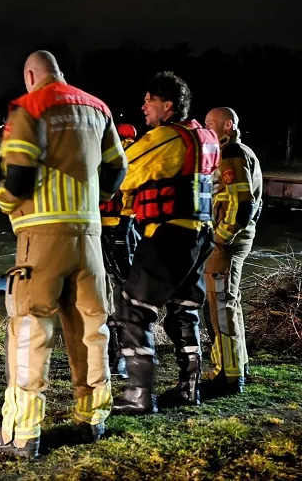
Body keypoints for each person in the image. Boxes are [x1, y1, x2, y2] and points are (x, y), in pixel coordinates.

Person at [0, 50, 127, 459]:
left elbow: (19, 174)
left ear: (30, 75)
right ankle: (93, 419)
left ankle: (22, 433)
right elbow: (118, 169)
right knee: (91, 330)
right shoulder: (98, 108)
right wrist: (93, 201)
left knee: (30, 330)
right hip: (90, 238)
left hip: (41, 238)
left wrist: (7, 202)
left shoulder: (30, 107)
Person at [111, 72, 219, 414]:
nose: (143, 106)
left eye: (149, 100)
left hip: (168, 234)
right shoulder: (207, 137)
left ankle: (139, 395)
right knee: (183, 311)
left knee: (132, 309)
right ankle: (189, 389)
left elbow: (123, 174)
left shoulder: (164, 138)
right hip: (200, 235)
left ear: (167, 105)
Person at [202, 107, 262, 395]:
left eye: (211, 124)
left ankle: (228, 375)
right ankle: (236, 366)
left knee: (221, 309)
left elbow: (243, 204)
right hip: (231, 244)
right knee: (227, 305)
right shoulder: (238, 151)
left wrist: (219, 237)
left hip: (226, 246)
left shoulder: (232, 154)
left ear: (228, 125)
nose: (207, 129)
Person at [100, 123, 141, 380]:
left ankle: (113, 356)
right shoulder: (133, 156)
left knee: (106, 294)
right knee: (123, 292)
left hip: (104, 232)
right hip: (124, 233)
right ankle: (122, 357)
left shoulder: (105, 157)